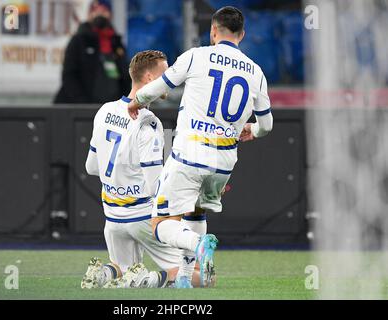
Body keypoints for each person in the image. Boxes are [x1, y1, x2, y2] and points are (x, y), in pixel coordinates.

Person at [127, 6, 274, 288]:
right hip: (224, 163)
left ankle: (198, 244)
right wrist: (252, 130)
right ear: (242, 35)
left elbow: (159, 86)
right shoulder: (256, 72)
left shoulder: (196, 56)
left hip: (190, 154)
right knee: (195, 211)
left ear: (213, 31)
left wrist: (138, 100)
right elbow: (266, 126)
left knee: (160, 224)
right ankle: (188, 275)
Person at [82, 50, 209, 289]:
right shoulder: (148, 123)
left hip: (112, 218)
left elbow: (91, 167)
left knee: (122, 268)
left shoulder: (105, 111)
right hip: (142, 218)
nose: (170, 77)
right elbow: (155, 188)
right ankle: (152, 281)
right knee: (201, 276)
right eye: (165, 72)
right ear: (150, 78)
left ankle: (106, 273)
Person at [54, 0, 130, 104]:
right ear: (89, 15)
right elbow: (69, 76)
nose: (99, 14)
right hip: (80, 109)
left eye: (104, 11)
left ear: (110, 14)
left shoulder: (117, 43)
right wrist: (83, 104)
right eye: (95, 10)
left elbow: (125, 77)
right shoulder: (79, 40)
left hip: (109, 111)